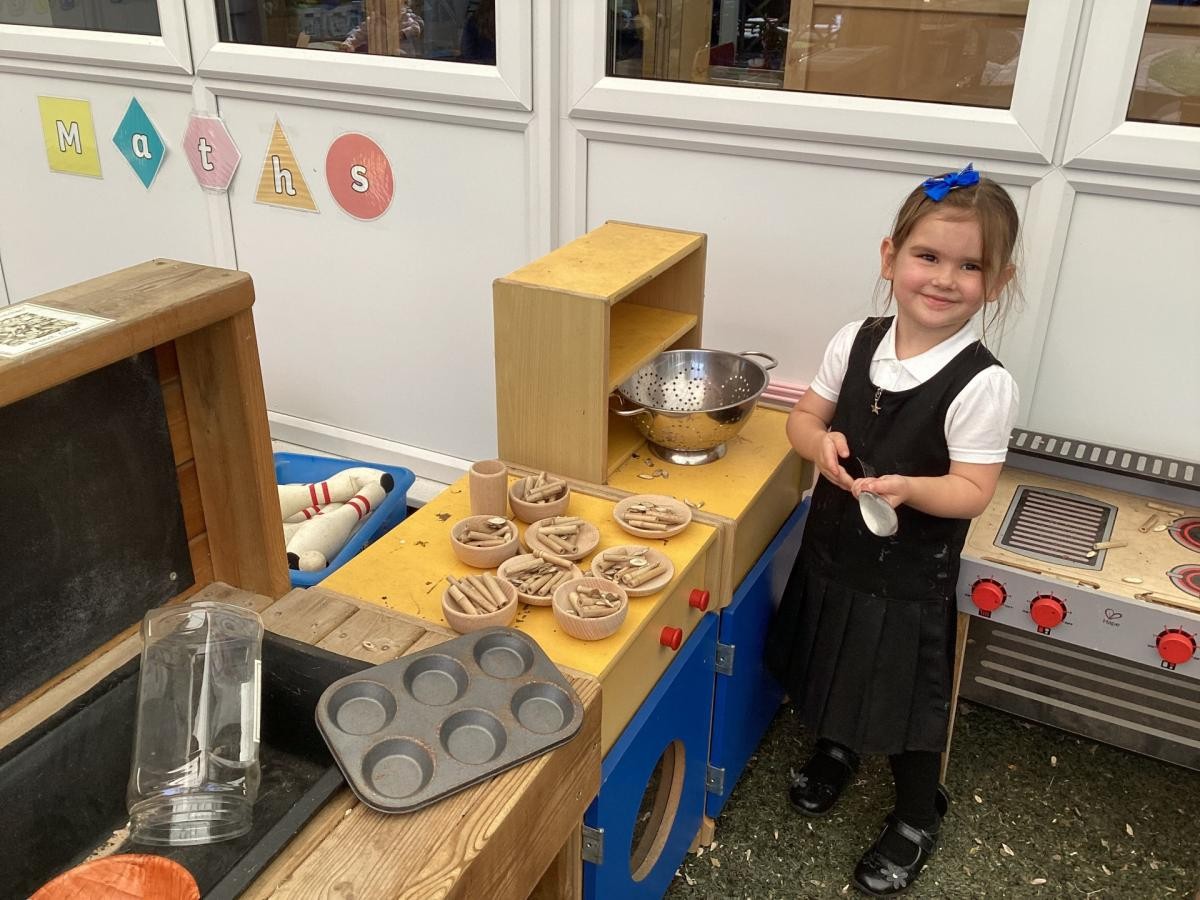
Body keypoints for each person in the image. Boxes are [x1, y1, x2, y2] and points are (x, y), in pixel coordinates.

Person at [765, 163, 1021, 897]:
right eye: (928, 256)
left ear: (997, 282)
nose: (944, 279)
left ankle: (916, 812)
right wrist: (819, 445)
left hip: (908, 579)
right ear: (890, 257)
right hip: (833, 553)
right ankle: (837, 749)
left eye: (970, 266)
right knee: (830, 657)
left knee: (907, 700)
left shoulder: (982, 383)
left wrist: (910, 489)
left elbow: (972, 492)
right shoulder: (856, 340)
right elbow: (803, 417)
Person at [337, 0, 422, 55]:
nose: (386, 5)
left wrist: (403, 33)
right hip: (379, 58)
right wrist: (349, 43)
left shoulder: (406, 17)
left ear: (402, 3)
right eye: (381, 2)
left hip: (403, 58)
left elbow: (415, 28)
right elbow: (358, 34)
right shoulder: (372, 20)